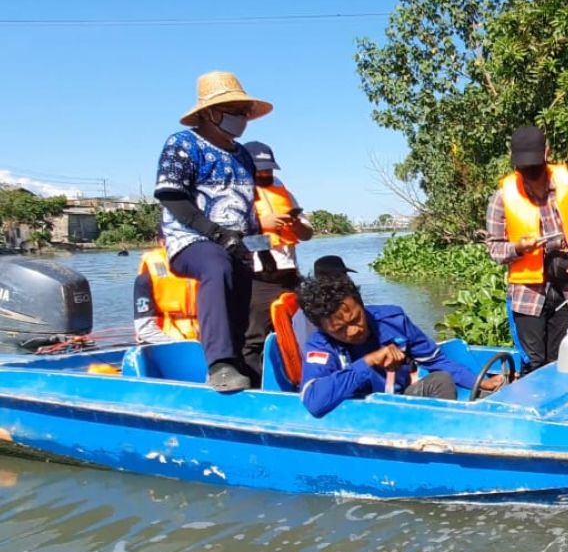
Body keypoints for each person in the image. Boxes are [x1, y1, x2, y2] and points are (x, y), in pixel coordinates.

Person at [154, 70, 270, 391]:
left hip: (236, 242)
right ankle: (219, 364)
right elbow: (172, 196)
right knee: (216, 264)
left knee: (250, 290)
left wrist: (260, 249)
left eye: (244, 112)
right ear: (209, 113)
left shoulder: (242, 155)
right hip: (192, 240)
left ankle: (247, 363)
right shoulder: (183, 144)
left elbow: (248, 209)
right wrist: (217, 234)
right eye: (234, 111)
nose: (242, 118)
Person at [296, 273, 503, 416]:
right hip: (359, 413)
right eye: (340, 330)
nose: (354, 331)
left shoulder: (392, 319)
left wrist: (481, 381)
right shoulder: (320, 346)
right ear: (322, 328)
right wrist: (368, 362)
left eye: (356, 319)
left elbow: (435, 360)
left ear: (360, 302)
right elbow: (314, 402)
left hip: (399, 403)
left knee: (441, 380)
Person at [485, 126, 568, 372]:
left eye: (535, 167)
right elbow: (494, 249)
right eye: (525, 170)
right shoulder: (502, 198)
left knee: (560, 362)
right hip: (528, 294)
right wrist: (519, 248)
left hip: (565, 288)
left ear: (547, 153)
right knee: (533, 364)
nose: (532, 175)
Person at [241, 140, 314, 383]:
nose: (266, 173)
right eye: (260, 168)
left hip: (289, 275)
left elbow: (307, 233)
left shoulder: (283, 190)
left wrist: (296, 225)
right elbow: (234, 239)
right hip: (258, 277)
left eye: (269, 168)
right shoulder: (236, 194)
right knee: (255, 337)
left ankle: (295, 380)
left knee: (294, 331)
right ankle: (257, 386)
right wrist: (264, 225)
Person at [134, 233, 199, 344]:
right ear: (161, 242)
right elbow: (145, 329)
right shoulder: (146, 279)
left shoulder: (211, 270)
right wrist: (182, 347)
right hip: (166, 342)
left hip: (206, 340)